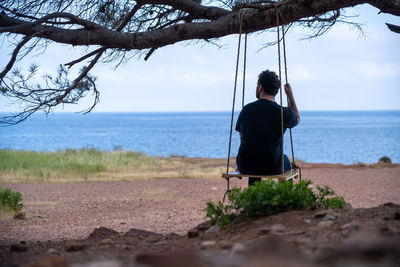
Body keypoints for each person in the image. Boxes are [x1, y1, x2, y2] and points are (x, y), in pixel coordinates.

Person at [235, 69, 300, 186]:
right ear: (276, 91)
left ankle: (253, 197)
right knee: (285, 161)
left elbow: (243, 140)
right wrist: (290, 96)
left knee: (254, 158)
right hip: (271, 165)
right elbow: (297, 119)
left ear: (260, 87)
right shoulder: (282, 113)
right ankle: (287, 199)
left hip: (245, 164)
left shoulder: (246, 110)